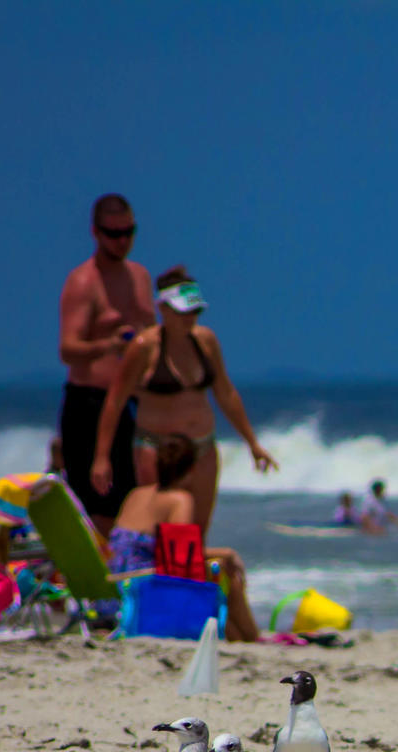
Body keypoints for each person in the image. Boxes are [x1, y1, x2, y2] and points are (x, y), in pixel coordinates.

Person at [92, 266, 276, 535]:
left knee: (197, 531)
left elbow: (225, 393)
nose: (190, 318)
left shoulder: (206, 341)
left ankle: (192, 576)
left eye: (195, 311)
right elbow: (115, 401)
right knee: (161, 529)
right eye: (183, 312)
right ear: (163, 309)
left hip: (201, 448)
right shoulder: (144, 347)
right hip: (155, 450)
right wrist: (101, 457)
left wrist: (252, 443)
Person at [59, 193, 153, 530]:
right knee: (97, 506)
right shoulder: (84, 282)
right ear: (96, 233)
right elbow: (67, 349)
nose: (123, 241)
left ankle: (130, 571)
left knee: (137, 498)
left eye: (129, 232)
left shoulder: (140, 276)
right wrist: (108, 344)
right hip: (91, 404)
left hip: (134, 403)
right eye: (114, 234)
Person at [108, 435, 261, 642]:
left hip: (115, 586)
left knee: (217, 575)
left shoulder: (136, 494)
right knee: (227, 573)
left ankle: (240, 637)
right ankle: (253, 637)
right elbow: (181, 555)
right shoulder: (180, 500)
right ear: (192, 469)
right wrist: (228, 553)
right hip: (144, 585)